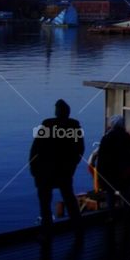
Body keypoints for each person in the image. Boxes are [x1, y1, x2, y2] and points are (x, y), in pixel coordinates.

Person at [30, 99, 85, 241]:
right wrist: (72, 166)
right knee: (69, 199)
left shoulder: (47, 125)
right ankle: (78, 230)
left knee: (45, 203)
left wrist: (34, 167)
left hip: (45, 172)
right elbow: (80, 150)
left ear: (57, 111)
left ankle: (47, 232)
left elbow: (35, 148)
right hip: (64, 172)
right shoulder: (74, 126)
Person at [95, 115, 130, 217]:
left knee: (110, 195)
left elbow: (102, 159)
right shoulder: (128, 138)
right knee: (126, 194)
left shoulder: (107, 138)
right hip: (126, 173)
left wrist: (100, 176)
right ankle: (127, 217)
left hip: (111, 174)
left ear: (112, 125)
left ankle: (111, 216)